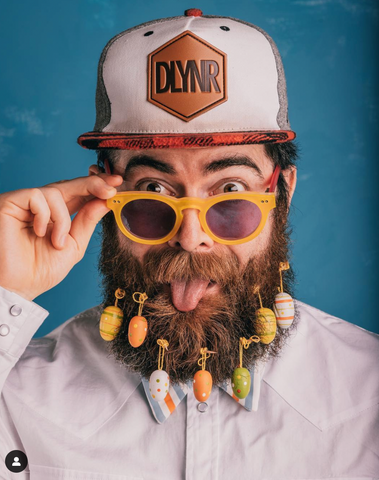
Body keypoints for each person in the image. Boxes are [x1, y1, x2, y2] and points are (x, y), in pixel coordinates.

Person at [0, 9, 378, 480]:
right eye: (153, 192)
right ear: (102, 195)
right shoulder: (15, 396)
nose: (191, 237)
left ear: (283, 193)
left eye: (231, 192)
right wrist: (5, 291)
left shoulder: (370, 394)